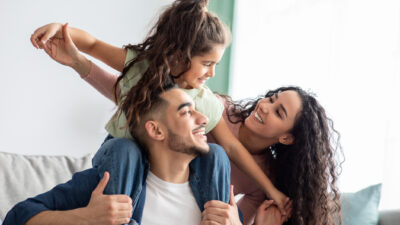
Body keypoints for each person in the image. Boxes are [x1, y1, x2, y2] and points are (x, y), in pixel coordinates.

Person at [29, 0, 290, 215]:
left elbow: (233, 148)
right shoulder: (144, 67)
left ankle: (213, 219)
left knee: (216, 153)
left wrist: (272, 190)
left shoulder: (205, 101)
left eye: (216, 65)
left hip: (167, 168)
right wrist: (59, 30)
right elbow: (95, 45)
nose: (211, 73)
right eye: (207, 63)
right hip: (121, 156)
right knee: (126, 149)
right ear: (180, 55)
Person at [3, 87, 241, 225]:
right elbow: (17, 217)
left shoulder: (216, 197)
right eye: (187, 112)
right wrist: (86, 217)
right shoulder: (107, 185)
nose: (204, 119)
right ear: (156, 130)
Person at [207, 86, 343, 225]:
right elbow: (230, 147)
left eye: (278, 112)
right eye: (271, 99)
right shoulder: (218, 108)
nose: (264, 107)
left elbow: (233, 220)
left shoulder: (266, 177)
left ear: (286, 138)